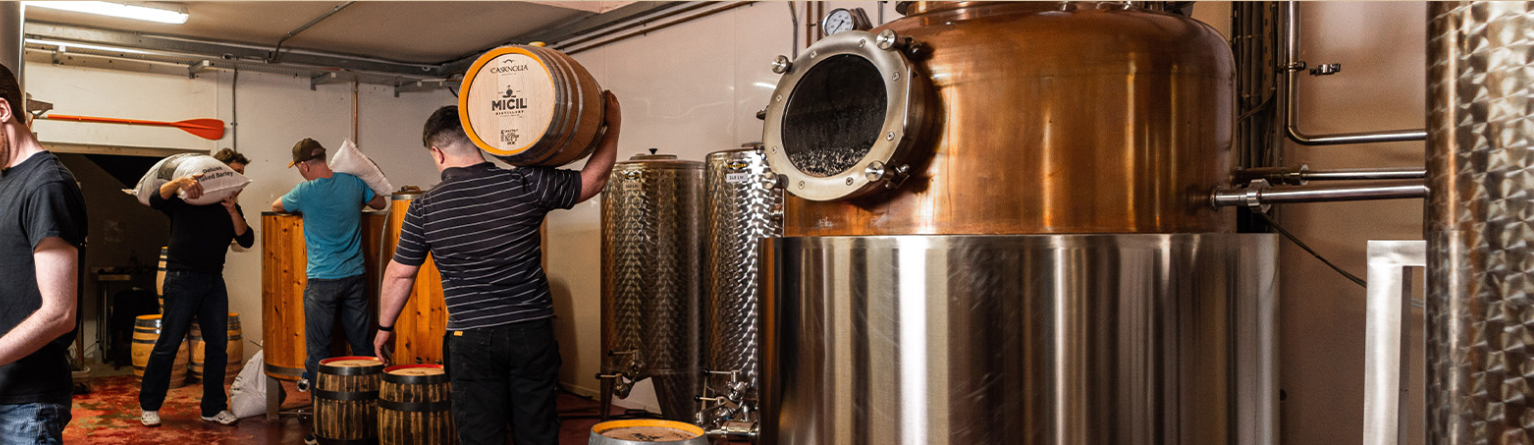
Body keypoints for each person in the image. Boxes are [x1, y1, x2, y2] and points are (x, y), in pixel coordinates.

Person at [374, 93, 621, 445]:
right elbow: (593, 180)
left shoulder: (423, 209)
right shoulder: (526, 183)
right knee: (537, 433)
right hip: (530, 331)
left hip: (469, 338)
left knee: (480, 436)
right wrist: (613, 125)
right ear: (479, 141)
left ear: (437, 153)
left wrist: (385, 327)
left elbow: (400, 273)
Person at [0, 64, 85, 445]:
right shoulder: (5, 181)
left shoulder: (46, 185)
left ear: (2, 111)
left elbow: (59, 313)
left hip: (26, 405)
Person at [138, 148, 252, 427]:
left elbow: (246, 240)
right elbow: (155, 199)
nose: (238, 179)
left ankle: (212, 408)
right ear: (218, 170)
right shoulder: (187, 198)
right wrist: (178, 183)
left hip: (214, 281)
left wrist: (233, 210)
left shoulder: (231, 206)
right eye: (233, 172)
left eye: (241, 175)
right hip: (181, 278)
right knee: (169, 344)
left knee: (218, 347)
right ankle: (149, 406)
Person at [271, 139, 385, 389]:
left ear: (304, 166)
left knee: (319, 352)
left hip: (321, 282)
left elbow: (276, 206)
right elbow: (381, 203)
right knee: (363, 347)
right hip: (355, 279)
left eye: (298, 167)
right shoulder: (353, 183)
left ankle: (322, 419)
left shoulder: (304, 192)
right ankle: (372, 409)